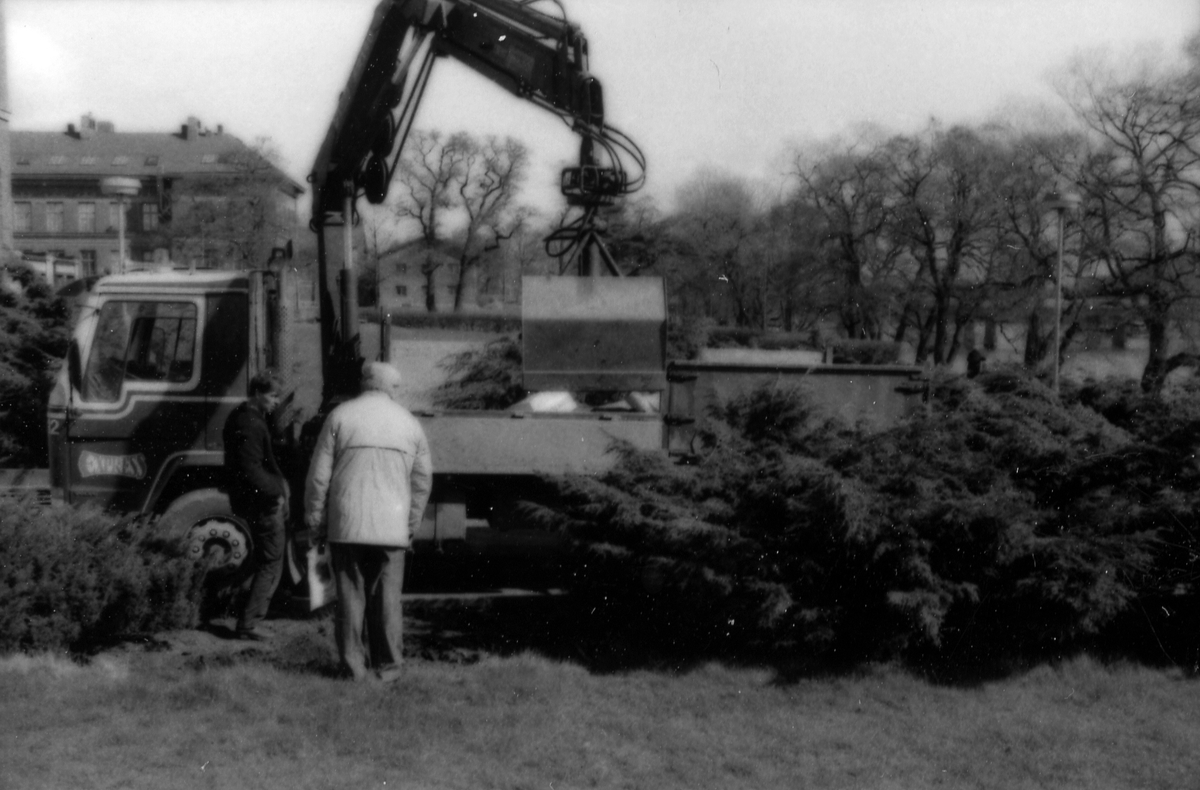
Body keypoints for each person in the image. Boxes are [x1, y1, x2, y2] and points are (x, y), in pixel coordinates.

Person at [304, 361, 433, 682]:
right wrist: (411, 524)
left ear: (365, 384)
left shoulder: (340, 417)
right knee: (388, 601)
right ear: (391, 388)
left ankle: (354, 670)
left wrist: (316, 520)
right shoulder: (409, 424)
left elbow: (318, 477)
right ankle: (388, 669)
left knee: (350, 598)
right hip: (392, 528)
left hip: (347, 525)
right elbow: (422, 482)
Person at [222, 371, 288, 641]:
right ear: (258, 393)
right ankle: (250, 623)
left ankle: (243, 613)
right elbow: (251, 469)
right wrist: (278, 492)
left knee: (263, 560)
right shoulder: (251, 424)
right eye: (273, 396)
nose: (276, 402)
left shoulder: (241, 415)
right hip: (262, 504)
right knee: (270, 561)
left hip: (248, 502)